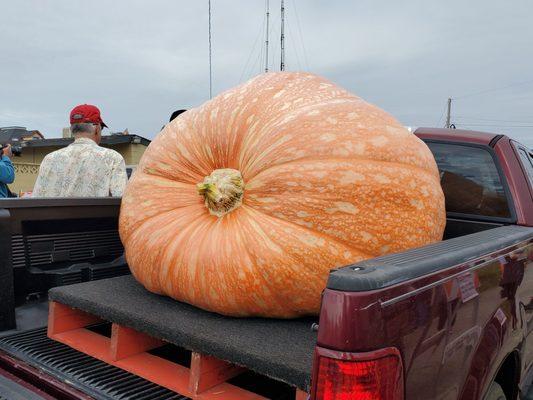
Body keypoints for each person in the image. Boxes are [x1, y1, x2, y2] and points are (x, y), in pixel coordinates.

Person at [33, 104, 127, 197]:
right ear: (97, 129)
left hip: (54, 213)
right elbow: (122, 199)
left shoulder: (49, 159)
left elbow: (36, 199)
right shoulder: (113, 158)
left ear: (71, 129)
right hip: (97, 213)